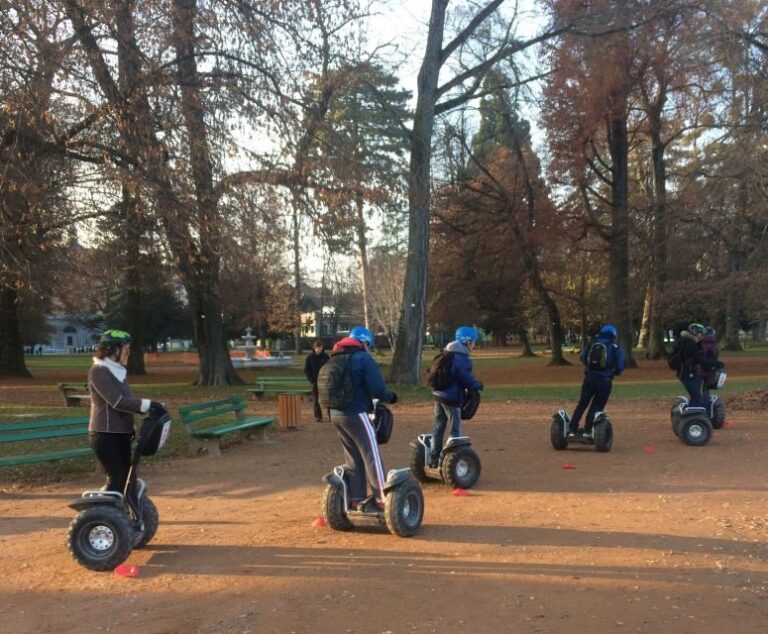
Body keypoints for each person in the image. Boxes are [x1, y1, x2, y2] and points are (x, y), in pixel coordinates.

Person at [327, 326, 397, 512]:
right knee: (371, 454)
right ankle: (383, 499)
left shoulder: (335, 357)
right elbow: (378, 389)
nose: (369, 350)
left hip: (335, 414)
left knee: (353, 456)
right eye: (369, 346)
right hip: (356, 413)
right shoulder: (362, 358)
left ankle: (356, 499)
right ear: (364, 342)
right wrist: (390, 396)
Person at [88, 330, 163, 497]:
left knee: (129, 479)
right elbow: (117, 402)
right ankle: (104, 515)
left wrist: (140, 418)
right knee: (117, 479)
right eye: (125, 348)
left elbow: (127, 403)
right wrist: (148, 404)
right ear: (113, 349)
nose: (128, 352)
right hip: (104, 434)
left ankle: (125, 516)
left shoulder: (119, 370)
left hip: (122, 433)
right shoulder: (99, 371)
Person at [429, 326, 483, 467]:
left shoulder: (447, 353)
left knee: (438, 428)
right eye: (473, 342)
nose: (474, 345)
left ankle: (434, 459)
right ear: (467, 341)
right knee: (455, 431)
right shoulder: (462, 359)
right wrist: (478, 385)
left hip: (437, 396)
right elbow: (467, 381)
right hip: (451, 399)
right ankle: (452, 462)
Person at [567, 324, 625, 437]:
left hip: (589, 378)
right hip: (605, 381)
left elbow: (583, 358)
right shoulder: (615, 347)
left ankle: (572, 428)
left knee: (582, 403)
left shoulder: (592, 343)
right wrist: (613, 372)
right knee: (597, 406)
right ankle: (587, 430)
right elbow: (620, 366)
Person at [674, 323, 722, 408]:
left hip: (687, 373)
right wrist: (716, 364)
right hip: (688, 374)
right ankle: (692, 417)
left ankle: (694, 416)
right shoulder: (690, 344)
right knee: (697, 397)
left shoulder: (688, 342)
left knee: (697, 397)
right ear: (695, 333)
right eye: (700, 333)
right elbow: (700, 359)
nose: (702, 336)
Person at [304, 339, 330, 422]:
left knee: (328, 399)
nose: (318, 349)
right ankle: (318, 416)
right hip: (315, 382)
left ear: (322, 348)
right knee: (316, 399)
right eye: (317, 347)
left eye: (320, 347)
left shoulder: (326, 356)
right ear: (314, 348)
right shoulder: (310, 357)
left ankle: (330, 415)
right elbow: (306, 370)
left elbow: (329, 367)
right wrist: (311, 379)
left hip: (325, 381)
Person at [698, 326, 720, 406]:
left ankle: (698, 407)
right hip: (711, 370)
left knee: (697, 390)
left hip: (700, 370)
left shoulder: (701, 343)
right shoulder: (716, 345)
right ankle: (708, 407)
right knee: (706, 390)